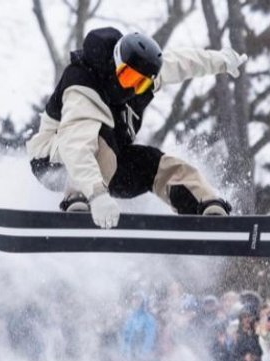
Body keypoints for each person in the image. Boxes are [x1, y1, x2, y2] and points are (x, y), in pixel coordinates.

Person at [27, 28, 247, 227]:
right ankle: (77, 200)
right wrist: (96, 195)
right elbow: (76, 145)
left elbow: (182, 62)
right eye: (128, 76)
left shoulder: (143, 80)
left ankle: (205, 207)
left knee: (157, 164)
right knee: (97, 137)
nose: (132, 87)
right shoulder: (83, 83)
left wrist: (222, 61)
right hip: (55, 160)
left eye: (140, 82)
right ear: (116, 64)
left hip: (108, 165)